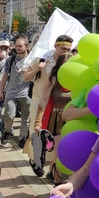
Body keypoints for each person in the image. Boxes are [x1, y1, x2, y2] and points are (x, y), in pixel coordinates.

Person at [22, 35, 73, 166]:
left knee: (53, 133)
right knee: (37, 131)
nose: (66, 51)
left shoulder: (70, 61)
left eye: (69, 48)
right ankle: (36, 160)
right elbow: (26, 78)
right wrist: (37, 69)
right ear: (56, 46)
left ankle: (51, 163)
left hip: (57, 103)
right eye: (63, 48)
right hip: (40, 101)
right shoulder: (42, 59)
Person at [33, 52, 73, 185]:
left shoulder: (78, 80)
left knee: (73, 151)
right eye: (64, 66)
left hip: (74, 120)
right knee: (59, 153)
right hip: (57, 120)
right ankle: (57, 181)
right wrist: (38, 121)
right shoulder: (53, 79)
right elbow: (43, 101)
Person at [0, 37, 32, 148]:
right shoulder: (11, 59)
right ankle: (7, 132)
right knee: (9, 115)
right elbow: (4, 76)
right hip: (11, 93)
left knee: (25, 119)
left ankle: (22, 137)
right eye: (16, 46)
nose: (17, 48)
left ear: (26, 46)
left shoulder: (32, 60)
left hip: (25, 94)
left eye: (20, 46)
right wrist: (1, 91)